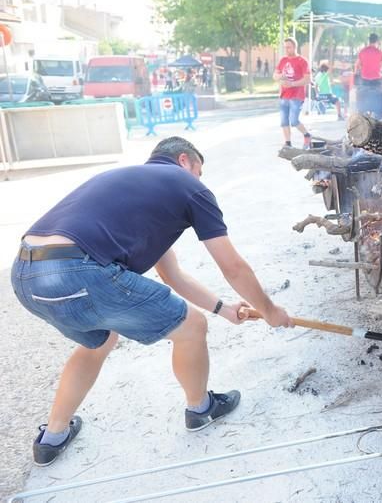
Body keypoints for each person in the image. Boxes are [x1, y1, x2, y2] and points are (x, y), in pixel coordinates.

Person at [11, 137, 293, 466]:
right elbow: (232, 266)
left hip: (26, 274)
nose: (199, 180)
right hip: (78, 271)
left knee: (98, 341)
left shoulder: (132, 190)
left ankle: (52, 439)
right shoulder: (188, 186)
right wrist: (271, 311)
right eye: (199, 171)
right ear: (185, 160)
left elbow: (172, 274)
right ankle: (200, 409)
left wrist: (224, 309)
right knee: (192, 326)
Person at [273, 37, 312, 149]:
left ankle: (307, 135)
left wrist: (292, 84)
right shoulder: (283, 60)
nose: (286, 50)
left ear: (295, 47)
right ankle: (288, 143)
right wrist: (281, 76)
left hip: (297, 95)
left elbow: (308, 79)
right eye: (285, 47)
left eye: (289, 47)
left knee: (294, 121)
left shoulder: (302, 61)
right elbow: (274, 76)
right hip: (284, 95)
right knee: (284, 121)